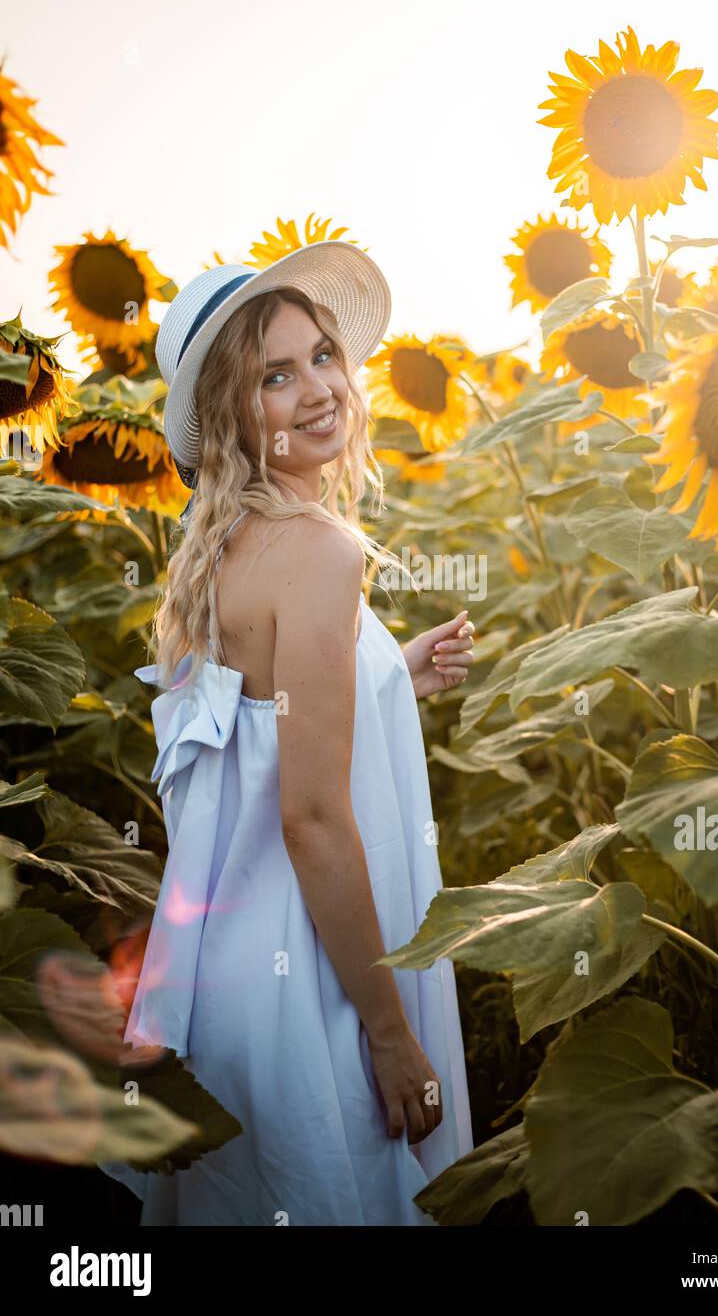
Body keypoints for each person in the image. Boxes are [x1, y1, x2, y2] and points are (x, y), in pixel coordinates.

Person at [100, 242, 475, 1224]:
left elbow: (261, 738)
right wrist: (389, 1033)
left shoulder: (211, 556)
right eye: (274, 374)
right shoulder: (319, 550)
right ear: (232, 412)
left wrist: (394, 676)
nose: (317, 388)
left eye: (320, 356)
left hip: (226, 989)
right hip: (322, 984)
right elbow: (309, 816)